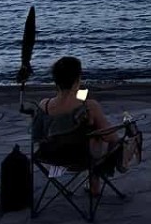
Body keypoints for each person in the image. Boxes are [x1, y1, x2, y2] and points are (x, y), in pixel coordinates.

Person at [36, 56, 124, 195]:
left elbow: (37, 135)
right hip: (81, 159)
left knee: (89, 129)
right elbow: (111, 137)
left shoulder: (44, 105)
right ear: (78, 79)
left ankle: (93, 183)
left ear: (55, 81)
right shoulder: (88, 105)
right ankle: (95, 184)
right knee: (101, 135)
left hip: (51, 157)